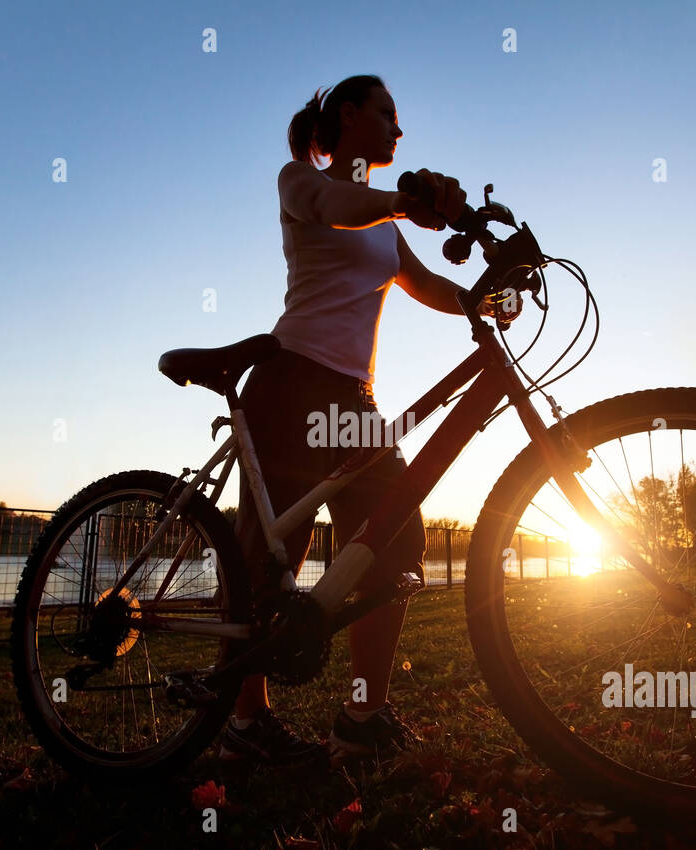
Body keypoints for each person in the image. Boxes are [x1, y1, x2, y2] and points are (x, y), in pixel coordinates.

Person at [219, 74, 513, 770]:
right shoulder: (303, 180)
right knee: (273, 557)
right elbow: (335, 205)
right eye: (386, 114)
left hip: (354, 399)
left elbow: (423, 283)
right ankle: (244, 718)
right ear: (348, 116)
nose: (398, 130)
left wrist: (482, 300)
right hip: (292, 381)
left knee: (394, 536)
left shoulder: (383, 220)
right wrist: (405, 203)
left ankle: (362, 714)